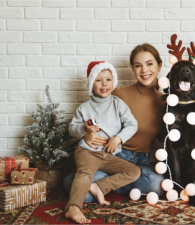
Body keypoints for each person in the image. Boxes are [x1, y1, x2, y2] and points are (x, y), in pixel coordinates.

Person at [63, 43, 166, 203]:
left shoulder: (165, 101)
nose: (144, 70)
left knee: (156, 184)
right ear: (133, 69)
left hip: (141, 161)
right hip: (113, 154)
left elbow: (162, 138)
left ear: (159, 65)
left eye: (149, 64)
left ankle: (103, 185)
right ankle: (97, 184)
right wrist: (87, 135)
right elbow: (91, 117)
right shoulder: (118, 93)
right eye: (138, 65)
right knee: (80, 190)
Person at [65, 61, 141, 224]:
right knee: (85, 173)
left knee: (134, 172)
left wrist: (118, 138)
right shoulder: (84, 108)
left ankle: (99, 187)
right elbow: (71, 129)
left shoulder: (118, 104)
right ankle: (73, 207)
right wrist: (84, 129)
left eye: (108, 79)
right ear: (91, 84)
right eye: (98, 80)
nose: (104, 84)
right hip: (87, 152)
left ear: (113, 82)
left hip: (108, 154)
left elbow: (132, 124)